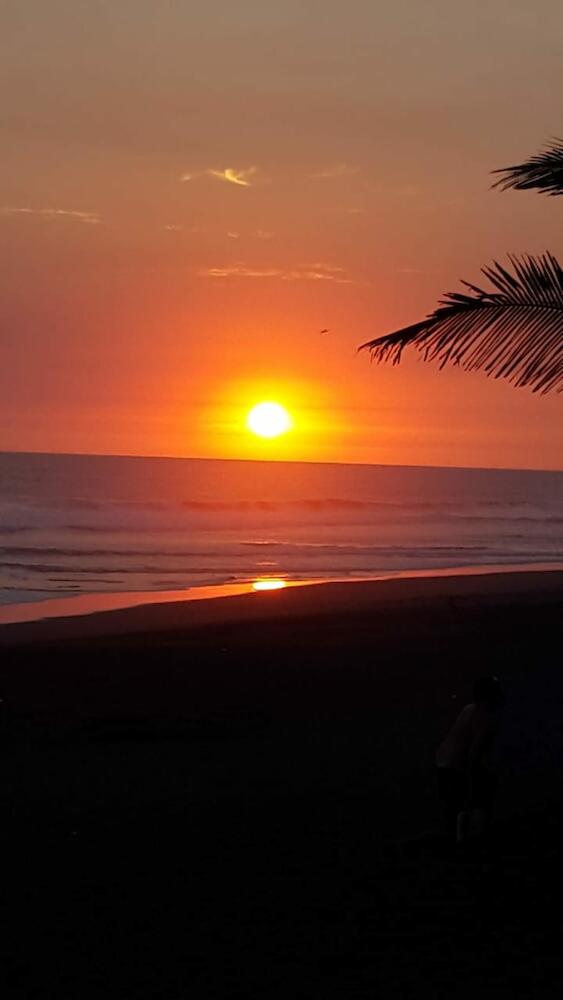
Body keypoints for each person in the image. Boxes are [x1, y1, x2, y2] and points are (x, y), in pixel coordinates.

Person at [436, 675, 504, 844]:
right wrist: (476, 774)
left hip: (443, 762)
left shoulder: (468, 709)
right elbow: (474, 753)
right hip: (459, 766)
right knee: (479, 798)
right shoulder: (489, 720)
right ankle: (472, 840)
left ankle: (453, 839)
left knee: (453, 807)